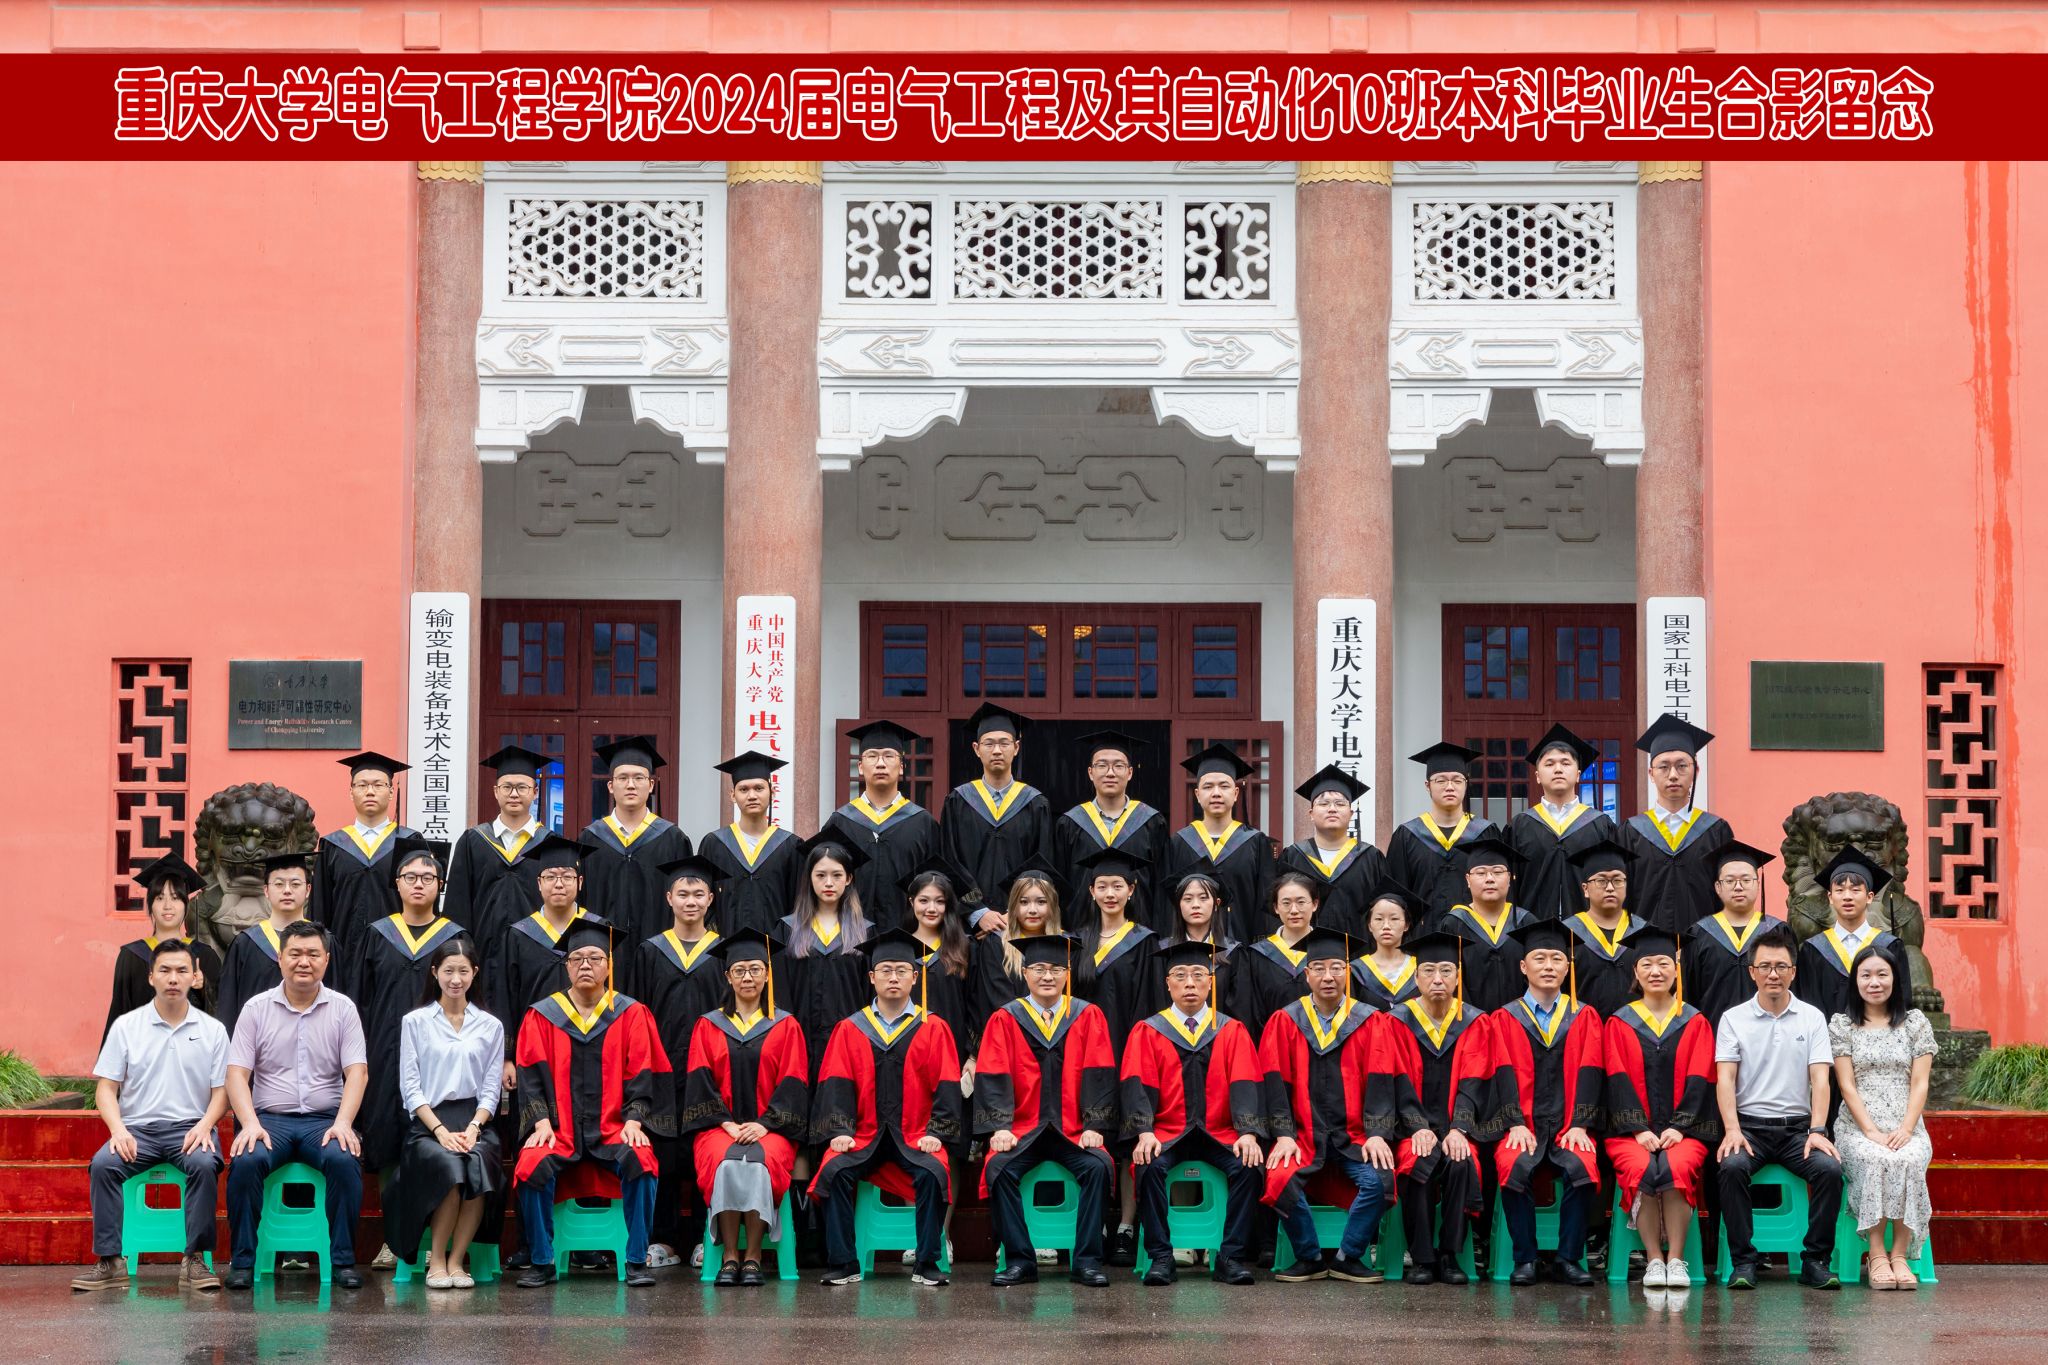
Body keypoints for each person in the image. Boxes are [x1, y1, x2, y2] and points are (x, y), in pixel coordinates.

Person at [511, 919, 675, 1288]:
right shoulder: (542, 1015)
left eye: (595, 958)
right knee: (530, 1163)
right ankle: (542, 1261)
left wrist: (634, 1120)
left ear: (609, 965)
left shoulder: (631, 1014)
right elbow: (529, 1075)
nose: (586, 965)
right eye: (577, 959)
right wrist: (540, 1122)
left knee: (642, 1159)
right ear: (566, 966)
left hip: (614, 1128)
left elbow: (643, 1071)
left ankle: (636, 1260)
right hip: (560, 1131)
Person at [809, 929, 965, 1287]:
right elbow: (836, 1083)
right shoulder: (850, 1028)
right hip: (864, 1136)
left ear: (915, 977)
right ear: (871, 977)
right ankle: (844, 1262)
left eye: (901, 970)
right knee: (833, 1170)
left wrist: (936, 1133)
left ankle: (927, 1261)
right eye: (885, 970)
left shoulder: (933, 1027)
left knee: (934, 1171)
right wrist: (840, 1132)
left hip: (914, 1135)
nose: (893, 977)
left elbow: (947, 1085)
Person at [222, 921, 369, 1290]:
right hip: (270, 1121)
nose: (304, 962)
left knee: (344, 1159)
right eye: (296, 953)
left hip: (325, 1122)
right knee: (246, 1161)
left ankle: (343, 1261)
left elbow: (357, 1072)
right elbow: (237, 1074)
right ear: (280, 957)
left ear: (327, 960)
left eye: (313, 954)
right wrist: (250, 1124)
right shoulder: (256, 1009)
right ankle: (242, 1262)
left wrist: (343, 1123)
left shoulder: (343, 1009)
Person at [75, 939, 229, 1293]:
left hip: (190, 1128)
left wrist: (205, 1125)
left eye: (181, 970)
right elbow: (105, 1089)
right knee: (103, 1165)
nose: (173, 978)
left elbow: (222, 1092)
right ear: (151, 977)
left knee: (204, 1164)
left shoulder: (213, 1030)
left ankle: (195, 1259)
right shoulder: (127, 1026)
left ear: (194, 976)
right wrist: (118, 1130)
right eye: (165, 970)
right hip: (137, 1131)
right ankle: (111, 1261)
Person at [1120, 940, 1268, 1286]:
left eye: (1199, 974)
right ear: (1167, 983)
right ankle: (1161, 1257)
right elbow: (1136, 1084)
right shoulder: (1148, 1031)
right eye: (1181, 975)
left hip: (1219, 1133)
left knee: (1249, 1167)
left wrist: (1247, 1132)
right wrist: (1144, 1131)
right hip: (1167, 1133)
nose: (1190, 983)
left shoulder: (1231, 1030)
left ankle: (1230, 1257)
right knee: (1148, 1167)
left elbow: (1246, 1081)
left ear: (1211, 982)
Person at [975, 933, 1117, 1287]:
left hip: (1072, 1131)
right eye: (1039, 968)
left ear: (1067, 973)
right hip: (1024, 1131)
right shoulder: (1005, 1018)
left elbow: (1100, 1071)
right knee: (998, 1168)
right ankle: (1020, 1260)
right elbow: (992, 1072)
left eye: (1056, 969)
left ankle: (1086, 1261)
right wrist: (1000, 1126)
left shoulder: (1087, 1015)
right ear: (1025, 973)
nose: (1048, 976)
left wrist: (1094, 1124)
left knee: (1098, 1167)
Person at [1261, 927, 1398, 1284]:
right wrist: (1284, 1135)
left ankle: (1347, 1256)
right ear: (1306, 974)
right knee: (1279, 1177)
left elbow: (1382, 1081)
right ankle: (1308, 1257)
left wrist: (1377, 1133)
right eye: (1319, 968)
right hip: (1304, 1138)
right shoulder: (1285, 1021)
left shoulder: (1369, 1020)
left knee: (1380, 1179)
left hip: (1354, 1138)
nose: (1328, 976)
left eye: (1336, 968)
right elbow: (1275, 1084)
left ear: (1347, 972)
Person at [1714, 922, 1844, 1291]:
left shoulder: (1812, 1017)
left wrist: (1818, 1130)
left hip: (1797, 1132)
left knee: (1829, 1170)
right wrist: (1732, 1130)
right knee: (1731, 1167)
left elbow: (1821, 1079)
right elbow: (1725, 1079)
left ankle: (1815, 1261)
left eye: (1781, 966)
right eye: (1766, 967)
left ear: (1793, 972)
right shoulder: (1733, 1018)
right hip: (1749, 1129)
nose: (1774, 974)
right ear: (1752, 972)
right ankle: (1744, 1261)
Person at [680, 929, 811, 1287]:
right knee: (726, 1163)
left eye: (755, 969)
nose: (748, 977)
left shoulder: (786, 1025)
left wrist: (766, 1124)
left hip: (771, 1130)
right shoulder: (708, 1025)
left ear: (767, 974)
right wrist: (725, 1123)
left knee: (755, 1163)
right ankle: (729, 1255)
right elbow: (699, 1081)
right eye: (739, 970)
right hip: (717, 1129)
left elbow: (794, 1081)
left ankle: (752, 1255)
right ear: (728, 976)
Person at [1486, 919, 1606, 1287]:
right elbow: (1501, 1072)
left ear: (1568, 967)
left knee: (1584, 1167)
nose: (1549, 966)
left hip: (1569, 1124)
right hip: (1524, 1125)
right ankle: (1525, 1258)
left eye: (1557, 959)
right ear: (1524, 967)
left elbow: (1592, 1071)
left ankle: (1568, 1258)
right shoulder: (1504, 1018)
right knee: (1511, 1165)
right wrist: (1514, 1123)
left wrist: (1580, 1124)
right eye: (1540, 959)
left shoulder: (1584, 1016)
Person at [384, 936, 504, 1289]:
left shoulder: (490, 1026)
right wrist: (439, 1131)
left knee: (478, 1164)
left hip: (474, 1122)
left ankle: (457, 1261)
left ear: (474, 973)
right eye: (449, 971)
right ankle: (436, 1259)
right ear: (435, 972)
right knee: (450, 1167)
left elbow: (491, 1088)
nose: (456, 979)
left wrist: (474, 1127)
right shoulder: (416, 1022)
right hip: (428, 1124)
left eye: (463, 971)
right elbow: (410, 1088)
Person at [1602, 928, 1717, 1291]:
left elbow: (1702, 1076)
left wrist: (1680, 1127)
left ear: (1676, 969)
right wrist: (1638, 1128)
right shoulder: (1619, 1022)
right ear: (1635, 972)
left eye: (1664, 963)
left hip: (1686, 1132)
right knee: (1641, 1168)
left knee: (1675, 1166)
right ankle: (1654, 1259)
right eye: (1647, 964)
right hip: (1630, 1134)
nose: (1656, 971)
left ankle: (1676, 1260)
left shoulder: (1695, 1022)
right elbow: (1616, 1078)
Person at [629, 852, 728, 1267]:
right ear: (669, 898)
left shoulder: (723, 952)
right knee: (664, 1152)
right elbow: (636, 1013)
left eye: (698, 894)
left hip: (710, 1068)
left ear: (711, 899)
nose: (691, 901)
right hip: (661, 1066)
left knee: (707, 1149)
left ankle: (708, 1235)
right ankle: (664, 1239)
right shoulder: (650, 951)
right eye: (683, 894)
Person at [1380, 929, 1494, 1286]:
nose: (1438, 979)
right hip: (1410, 1129)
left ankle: (1449, 1254)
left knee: (1462, 1162)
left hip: (1458, 1127)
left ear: (1458, 977)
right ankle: (1422, 1258)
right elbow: (1395, 1079)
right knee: (1418, 1161)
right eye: (1429, 971)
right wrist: (1418, 1128)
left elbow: (1475, 1079)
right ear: (1416, 978)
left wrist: (1460, 1128)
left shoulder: (1474, 1021)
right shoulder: (1397, 1021)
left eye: (1446, 971)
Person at [353, 840, 461, 1184]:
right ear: (396, 883)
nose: (418, 884)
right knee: (387, 1130)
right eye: (410, 877)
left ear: (440, 886)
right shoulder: (377, 934)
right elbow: (360, 998)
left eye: (428, 878)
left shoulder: (454, 939)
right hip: (383, 1050)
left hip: (438, 1054)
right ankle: (393, 1216)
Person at [1830, 946, 1937, 1290]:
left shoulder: (1915, 1023)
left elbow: (1920, 1083)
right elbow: (1846, 1085)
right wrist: (1871, 1131)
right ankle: (1876, 1254)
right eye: (1866, 975)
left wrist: (1906, 1128)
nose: (1874, 982)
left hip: (1907, 1126)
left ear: (1895, 978)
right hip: (1857, 1128)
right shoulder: (1843, 1025)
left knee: (1908, 1158)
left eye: (1882, 974)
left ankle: (1900, 1255)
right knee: (1876, 1159)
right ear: (1855, 981)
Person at [486, 834, 601, 1072]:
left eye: (567, 877)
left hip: (591, 1048)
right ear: (539, 883)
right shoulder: (519, 934)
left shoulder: (598, 929)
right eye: (550, 876)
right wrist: (507, 1058)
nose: (559, 884)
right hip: (533, 1050)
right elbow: (505, 996)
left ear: (580, 882)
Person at [1616, 715, 1733, 934]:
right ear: (1651, 773)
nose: (1672, 775)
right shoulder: (1631, 833)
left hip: (1704, 946)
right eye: (1663, 767)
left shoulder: (1716, 831)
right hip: (1645, 948)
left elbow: (1727, 898)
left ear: (1696, 771)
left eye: (1681, 766)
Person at [825, 720, 940, 935]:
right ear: (860, 766)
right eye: (872, 756)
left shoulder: (922, 823)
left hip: (907, 937)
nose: (880, 763)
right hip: (849, 937)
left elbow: (938, 883)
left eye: (888, 756)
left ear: (901, 766)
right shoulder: (840, 822)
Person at [578, 735, 692, 946]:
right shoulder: (591, 838)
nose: (631, 785)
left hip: (659, 950)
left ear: (651, 785)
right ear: (610, 786)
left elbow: (686, 901)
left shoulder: (672, 838)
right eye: (622, 778)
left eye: (639, 778)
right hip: (603, 950)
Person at [1053, 729, 1169, 933]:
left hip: (1139, 936)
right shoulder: (1070, 823)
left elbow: (1161, 885)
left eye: (1118, 765)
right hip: (1081, 933)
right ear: (1090, 772)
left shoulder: (1151, 822)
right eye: (1102, 765)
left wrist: (1160, 935)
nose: (1110, 773)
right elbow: (1059, 884)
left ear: (1130, 772)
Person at [312, 750, 418, 973]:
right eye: (361, 785)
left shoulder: (410, 842)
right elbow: (320, 906)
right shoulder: (333, 845)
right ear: (351, 792)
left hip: (398, 954)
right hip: (342, 955)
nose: (370, 791)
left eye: (378, 785)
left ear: (391, 792)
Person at [941, 703, 1053, 912]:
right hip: (968, 922)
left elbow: (1041, 864)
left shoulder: (1035, 804)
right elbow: (951, 861)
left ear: (1016, 748)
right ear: (976, 749)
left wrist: (1017, 909)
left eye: (1004, 743)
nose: (997, 751)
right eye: (989, 744)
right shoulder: (958, 801)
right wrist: (978, 911)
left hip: (1021, 918)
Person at [779, 832, 876, 1069]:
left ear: (849, 878)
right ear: (809, 878)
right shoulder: (788, 929)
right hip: (797, 1045)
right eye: (820, 875)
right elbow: (780, 991)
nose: (829, 883)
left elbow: (870, 993)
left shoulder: (865, 932)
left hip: (849, 1046)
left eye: (837, 875)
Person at [1160, 744, 1275, 943]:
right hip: (1190, 952)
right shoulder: (1179, 843)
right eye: (1208, 787)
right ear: (1197, 795)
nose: (1216, 793)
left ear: (1236, 793)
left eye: (1224, 786)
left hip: (1242, 948)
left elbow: (1265, 907)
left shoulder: (1256, 843)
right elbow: (1169, 904)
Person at [104, 848, 223, 1038]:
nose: (168, 906)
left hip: (191, 1053)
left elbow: (220, 1017)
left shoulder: (204, 956)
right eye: (160, 898)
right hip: (144, 1053)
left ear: (186, 904)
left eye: (175, 898)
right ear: (151, 905)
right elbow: (120, 1014)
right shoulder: (133, 957)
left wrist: (203, 988)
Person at [1507, 724, 1619, 921]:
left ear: (1578, 775)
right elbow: (1509, 886)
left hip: (1588, 932)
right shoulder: (1520, 825)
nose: (1558, 769)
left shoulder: (1600, 825)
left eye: (1566, 763)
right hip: (1533, 931)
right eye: (1549, 764)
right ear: (1537, 776)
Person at [442, 744, 550, 941]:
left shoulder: (549, 844)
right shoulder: (472, 841)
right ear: (495, 791)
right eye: (506, 787)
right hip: (482, 951)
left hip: (535, 951)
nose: (514, 794)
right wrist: (461, 950)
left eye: (522, 787)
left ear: (535, 792)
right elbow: (457, 905)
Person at [1386, 743, 1499, 931]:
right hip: (1422, 939)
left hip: (1475, 936)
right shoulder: (1407, 836)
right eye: (1441, 780)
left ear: (1466, 784)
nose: (1450, 787)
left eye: (1457, 780)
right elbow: (1396, 896)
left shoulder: (1485, 833)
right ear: (1427, 785)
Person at [1796, 847, 1915, 1024]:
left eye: (1855, 890)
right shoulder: (1813, 950)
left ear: (1869, 897)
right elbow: (1807, 1002)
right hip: (1825, 1038)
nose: (1847, 897)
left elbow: (1901, 1000)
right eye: (1840, 890)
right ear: (1830, 897)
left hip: (1878, 1036)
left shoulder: (1890, 946)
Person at [1682, 840, 1784, 1029]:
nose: (1738, 887)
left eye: (1746, 880)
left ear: (1757, 884)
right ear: (1718, 887)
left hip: (1770, 1037)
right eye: (1729, 881)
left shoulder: (1778, 932)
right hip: (1713, 1036)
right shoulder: (1698, 935)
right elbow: (1689, 996)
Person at [698, 752, 802, 936]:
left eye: (759, 788)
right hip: (725, 948)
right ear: (732, 795)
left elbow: (798, 906)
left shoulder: (790, 846)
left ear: (772, 792)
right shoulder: (714, 844)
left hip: (776, 949)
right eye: (744, 789)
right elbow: (704, 903)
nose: (752, 795)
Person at [1277, 766, 1386, 940]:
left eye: (1340, 804)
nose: (1332, 809)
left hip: (1360, 952)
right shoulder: (1293, 857)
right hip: (1304, 952)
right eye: (1324, 803)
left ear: (1351, 813)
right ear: (1311, 814)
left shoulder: (1370, 858)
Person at [215, 851, 314, 1036]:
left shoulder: (324, 943)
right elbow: (228, 1008)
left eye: (295, 884)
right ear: (266, 890)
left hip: (313, 1048)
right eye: (279, 884)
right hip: (256, 1048)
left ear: (308, 890)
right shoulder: (245, 944)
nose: (287, 890)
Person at [970, 857, 1073, 1028]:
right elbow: (998, 998)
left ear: (1052, 906)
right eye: (1024, 902)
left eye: (1041, 902)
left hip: (1058, 1033)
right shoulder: (997, 943)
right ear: (1013, 906)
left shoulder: (1066, 943)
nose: (1032, 910)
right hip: (1011, 1032)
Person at [1440, 837, 1535, 1013]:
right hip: (1469, 1022)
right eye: (1481, 873)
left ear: (1509, 878)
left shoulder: (1526, 922)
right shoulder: (1454, 924)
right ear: (1468, 880)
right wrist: (1473, 1019)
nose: (1489, 879)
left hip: (1519, 1022)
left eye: (1497, 872)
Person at [1561, 839, 1647, 1017]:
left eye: (1618, 880)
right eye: (1601, 881)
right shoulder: (1567, 933)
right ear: (1585, 889)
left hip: (1634, 1029)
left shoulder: (1643, 932)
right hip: (1584, 1029)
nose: (1610, 888)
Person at [1238, 870, 1326, 1037]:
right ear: (1276, 908)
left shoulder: (1328, 951)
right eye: (1286, 903)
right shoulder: (1258, 955)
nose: (1294, 910)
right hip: (1272, 1045)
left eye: (1301, 902)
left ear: (1315, 904)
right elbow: (1252, 1012)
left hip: (1323, 1046)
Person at [1165, 864, 1244, 1019]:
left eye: (1203, 898)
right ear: (1178, 905)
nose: (1196, 905)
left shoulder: (1233, 952)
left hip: (1221, 1033)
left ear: (1216, 904)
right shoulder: (1164, 951)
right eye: (1188, 899)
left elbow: (1241, 1010)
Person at [1351, 881, 1423, 1012]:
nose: (1386, 926)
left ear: (1406, 925)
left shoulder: (1420, 968)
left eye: (1394, 919)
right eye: (1379, 919)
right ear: (1369, 925)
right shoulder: (1356, 971)